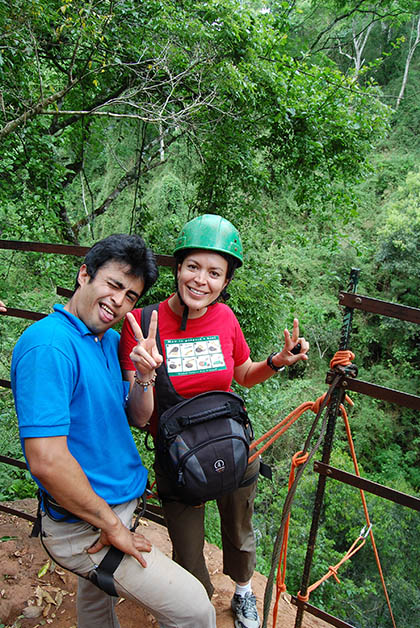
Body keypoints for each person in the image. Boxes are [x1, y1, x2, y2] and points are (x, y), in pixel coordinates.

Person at [11, 234, 216, 628]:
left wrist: (144, 376)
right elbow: (46, 461)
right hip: (84, 524)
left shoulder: (106, 340)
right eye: (114, 285)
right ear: (84, 274)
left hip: (109, 508)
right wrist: (111, 526)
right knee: (194, 608)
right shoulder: (49, 346)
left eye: (131, 296)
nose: (119, 301)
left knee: (96, 604)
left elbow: (138, 417)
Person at [119, 215, 309, 628]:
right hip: (178, 458)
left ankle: (243, 593)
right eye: (193, 267)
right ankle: (197, 609)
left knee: (240, 529)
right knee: (188, 552)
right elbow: (139, 418)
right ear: (178, 267)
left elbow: (243, 374)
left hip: (232, 446)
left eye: (214, 272)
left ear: (225, 281)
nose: (201, 280)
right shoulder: (141, 325)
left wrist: (278, 362)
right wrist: (146, 374)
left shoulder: (225, 319)